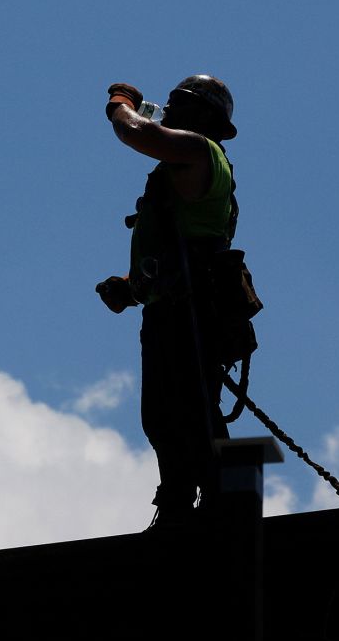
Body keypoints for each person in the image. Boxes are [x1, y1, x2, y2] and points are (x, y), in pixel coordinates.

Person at [97, 75, 240, 531]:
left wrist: (121, 105)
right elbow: (179, 254)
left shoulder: (201, 152)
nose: (168, 110)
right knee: (162, 416)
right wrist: (133, 286)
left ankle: (224, 506)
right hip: (171, 308)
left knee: (193, 410)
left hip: (195, 311)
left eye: (178, 103)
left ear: (201, 117)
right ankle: (179, 503)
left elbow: (136, 131)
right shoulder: (179, 169)